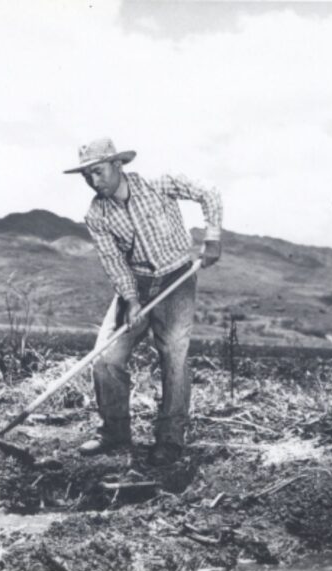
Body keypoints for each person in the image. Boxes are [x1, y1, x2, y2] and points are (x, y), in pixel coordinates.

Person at [63, 138, 222, 466]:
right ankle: (115, 431)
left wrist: (213, 238)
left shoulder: (160, 185)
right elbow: (114, 262)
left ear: (117, 165)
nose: (94, 181)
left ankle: (170, 440)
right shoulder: (96, 214)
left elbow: (210, 192)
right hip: (135, 282)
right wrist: (132, 300)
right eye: (87, 176)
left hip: (177, 279)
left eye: (98, 172)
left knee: (173, 358)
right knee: (106, 358)